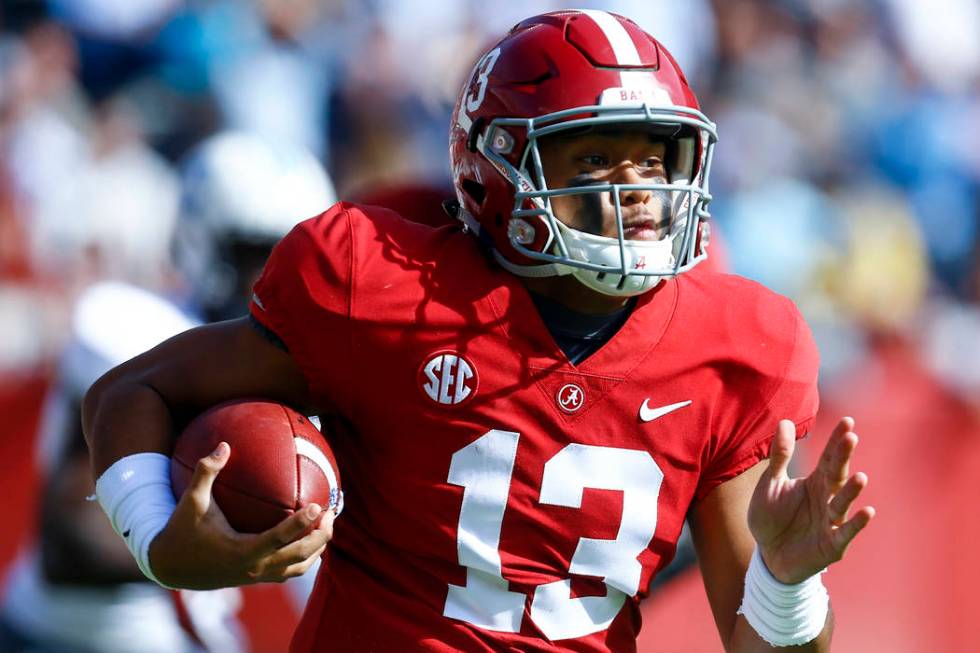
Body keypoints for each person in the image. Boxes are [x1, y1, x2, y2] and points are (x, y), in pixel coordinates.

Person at [83, 10, 874, 652]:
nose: (637, 189)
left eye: (655, 158)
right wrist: (160, 539)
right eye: (595, 157)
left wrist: (787, 579)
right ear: (493, 170)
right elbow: (131, 388)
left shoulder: (737, 345)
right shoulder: (384, 287)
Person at [0, 129, 334, 653]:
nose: (275, 281)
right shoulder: (126, 328)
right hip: (59, 635)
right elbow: (75, 544)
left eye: (297, 261)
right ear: (202, 242)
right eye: (258, 256)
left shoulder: (302, 368)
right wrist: (205, 552)